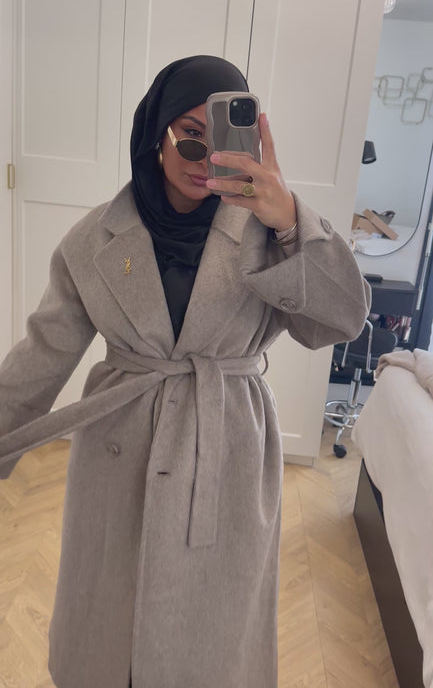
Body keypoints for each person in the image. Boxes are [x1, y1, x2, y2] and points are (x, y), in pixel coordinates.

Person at [0, 55, 370, 688]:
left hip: (224, 445)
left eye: (224, 139)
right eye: (190, 137)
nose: (206, 158)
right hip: (119, 449)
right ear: (156, 134)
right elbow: (45, 351)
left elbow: (339, 322)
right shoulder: (93, 240)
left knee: (210, 629)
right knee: (106, 625)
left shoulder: (269, 231)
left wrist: (290, 220)